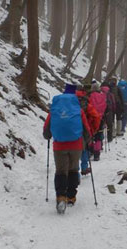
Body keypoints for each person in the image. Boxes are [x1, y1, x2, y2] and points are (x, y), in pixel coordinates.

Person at [43, 83, 92, 214]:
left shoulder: (54, 109)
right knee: (73, 169)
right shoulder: (78, 110)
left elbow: (46, 130)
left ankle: (60, 198)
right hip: (76, 145)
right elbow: (86, 129)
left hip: (59, 145)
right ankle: (71, 197)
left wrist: (48, 136)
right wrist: (86, 141)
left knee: (61, 171)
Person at [76, 86, 101, 175]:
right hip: (85, 129)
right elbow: (96, 117)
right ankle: (84, 167)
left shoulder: (70, 102)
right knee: (85, 148)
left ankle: (74, 171)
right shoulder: (86, 103)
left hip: (71, 129)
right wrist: (94, 129)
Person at [89, 83, 107, 161]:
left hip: (92, 118)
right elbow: (106, 107)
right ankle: (97, 154)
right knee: (98, 137)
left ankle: (90, 151)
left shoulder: (90, 96)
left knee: (90, 135)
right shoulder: (103, 96)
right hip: (100, 118)